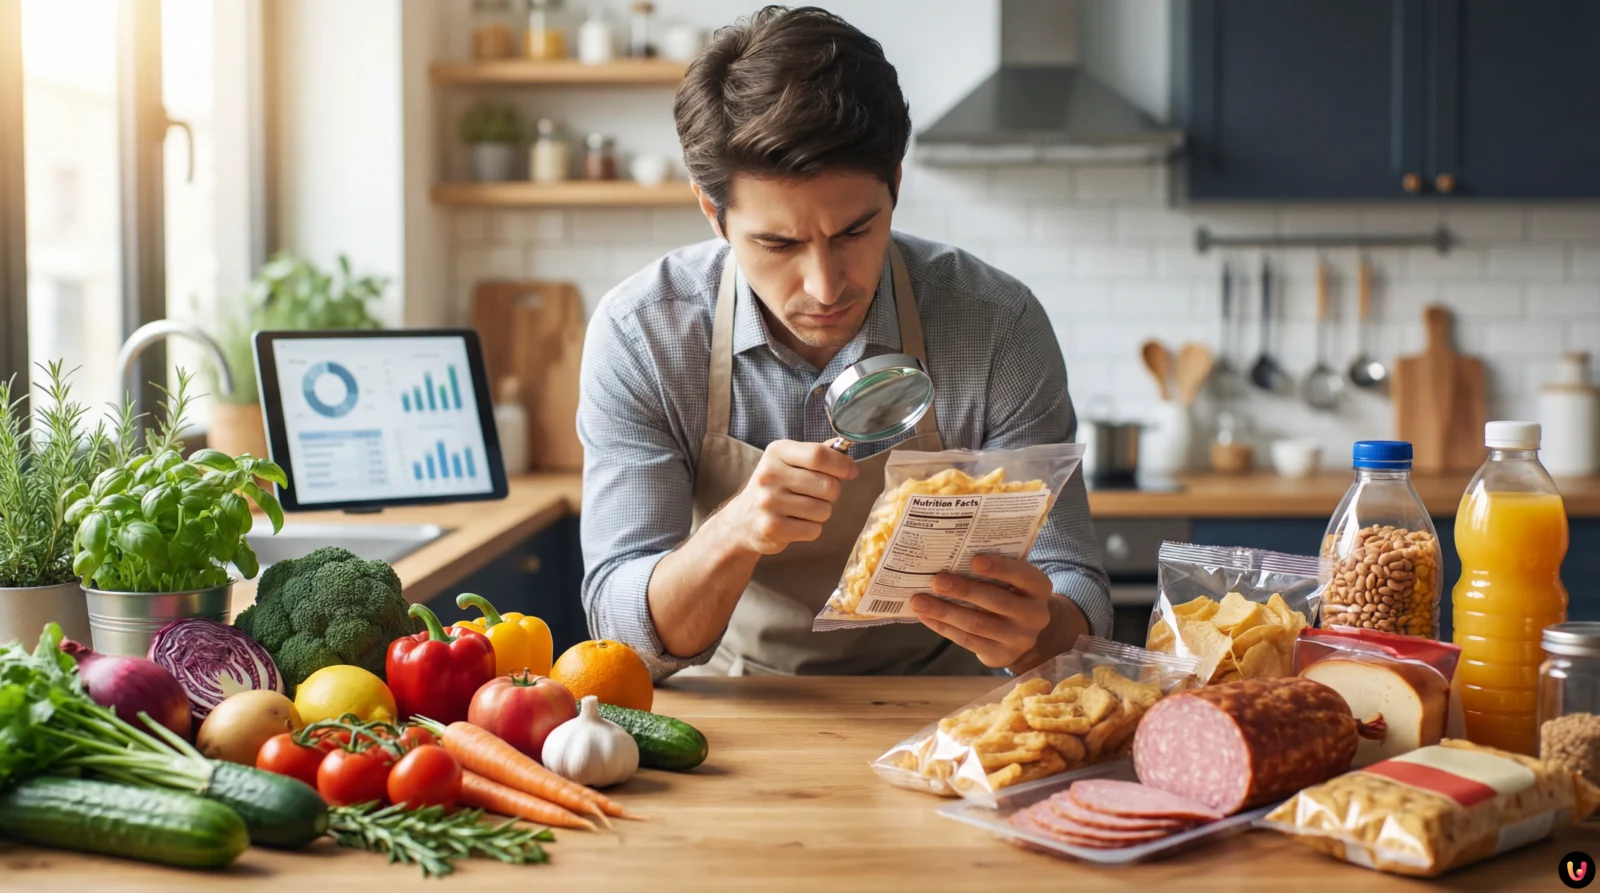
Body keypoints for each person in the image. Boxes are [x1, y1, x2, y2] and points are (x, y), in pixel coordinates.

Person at [577, 5, 1109, 679]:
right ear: (714, 213)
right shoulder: (644, 333)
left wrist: (1043, 630)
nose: (825, 286)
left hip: (945, 706)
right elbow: (620, 627)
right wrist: (736, 530)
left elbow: (1077, 584)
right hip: (736, 709)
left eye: (855, 232)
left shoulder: (996, 323)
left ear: (895, 185)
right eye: (778, 243)